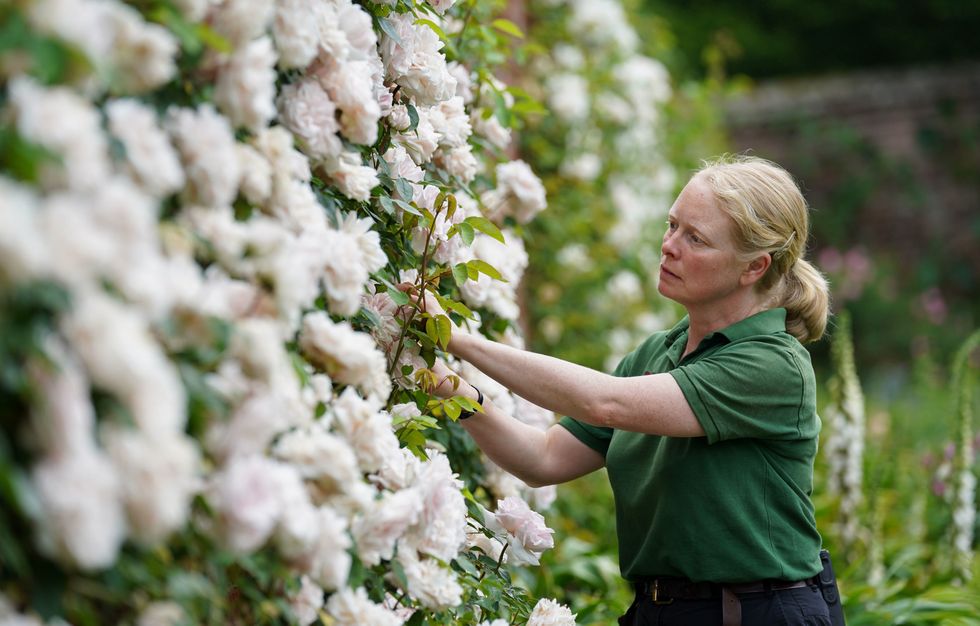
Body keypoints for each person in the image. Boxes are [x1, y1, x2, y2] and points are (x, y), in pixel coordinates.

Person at [417, 154, 834, 626]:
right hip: (664, 610)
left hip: (756, 612)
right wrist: (458, 395)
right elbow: (544, 458)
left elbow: (603, 401)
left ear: (754, 267)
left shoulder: (772, 365)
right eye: (672, 225)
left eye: (695, 238)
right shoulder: (658, 354)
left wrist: (456, 338)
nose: (669, 246)